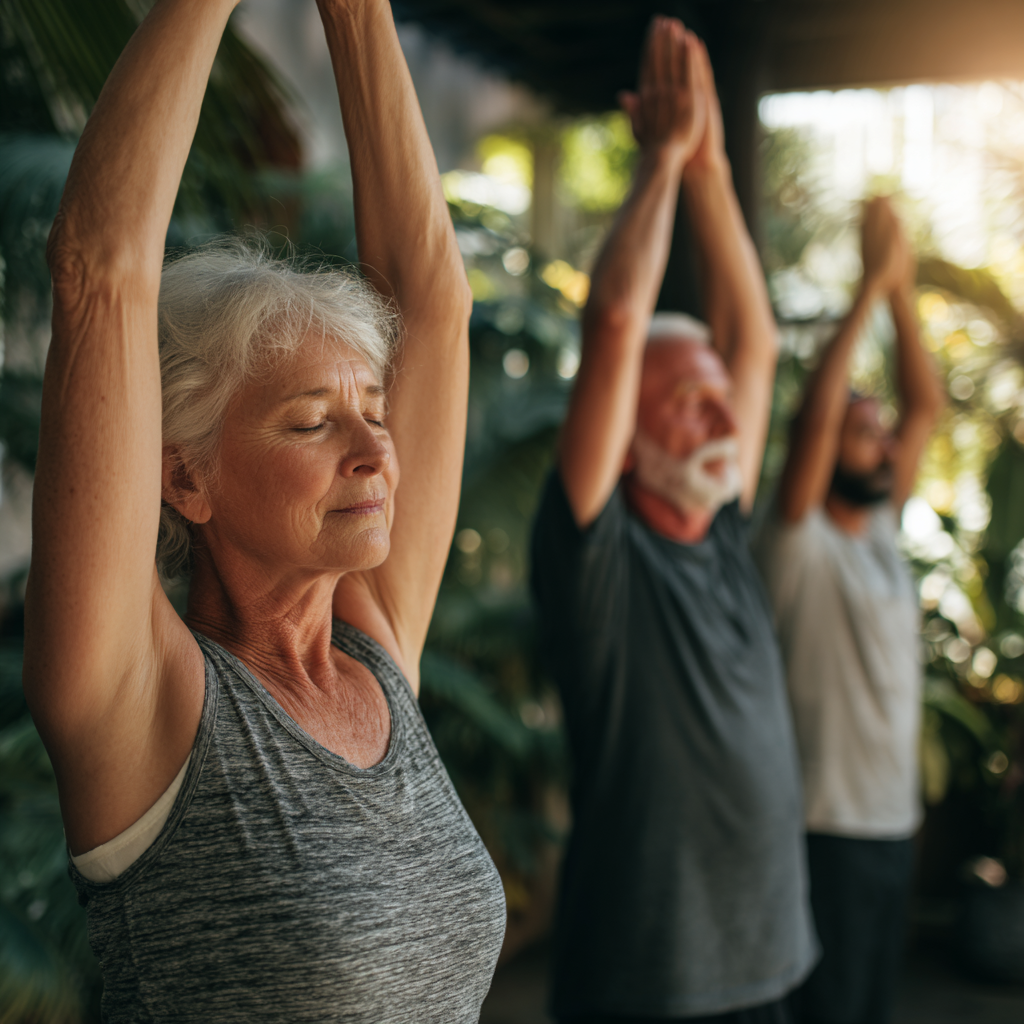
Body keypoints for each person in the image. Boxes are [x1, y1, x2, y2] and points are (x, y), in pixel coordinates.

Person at [22, 0, 506, 1019]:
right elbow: (99, 273)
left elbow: (431, 307)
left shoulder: (375, 651)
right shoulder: (142, 701)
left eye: (373, 410)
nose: (377, 449)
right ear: (185, 477)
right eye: (309, 422)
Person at [531, 17, 816, 1024]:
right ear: (623, 436)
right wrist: (658, 162)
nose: (719, 410)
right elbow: (614, 322)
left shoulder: (722, 530)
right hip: (650, 989)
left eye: (715, 394)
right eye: (686, 398)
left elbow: (757, 342)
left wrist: (712, 172)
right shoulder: (600, 558)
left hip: (767, 963)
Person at [756, 197, 945, 1024]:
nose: (887, 440)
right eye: (865, 431)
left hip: (891, 824)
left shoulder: (876, 529)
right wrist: (866, 291)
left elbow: (928, 407)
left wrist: (899, 290)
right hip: (822, 829)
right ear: (827, 449)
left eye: (882, 431)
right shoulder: (798, 540)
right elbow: (813, 418)